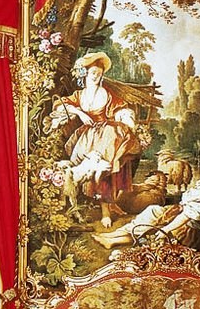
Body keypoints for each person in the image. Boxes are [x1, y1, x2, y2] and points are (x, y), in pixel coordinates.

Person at [50, 52, 154, 213]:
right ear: (85, 74)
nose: (96, 77)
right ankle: (98, 202)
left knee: (112, 154)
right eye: (93, 73)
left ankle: (110, 203)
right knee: (96, 160)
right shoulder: (79, 95)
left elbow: (120, 108)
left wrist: (126, 118)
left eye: (99, 74)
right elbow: (60, 104)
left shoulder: (106, 94)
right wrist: (80, 113)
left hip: (106, 134)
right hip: (87, 136)